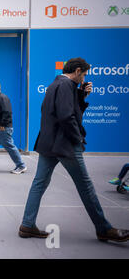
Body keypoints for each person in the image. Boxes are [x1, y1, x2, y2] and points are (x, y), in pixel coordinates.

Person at [19, 58, 128, 243]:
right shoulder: (66, 85)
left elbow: (62, 110)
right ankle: (104, 228)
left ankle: (27, 224)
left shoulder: (57, 84)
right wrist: (77, 138)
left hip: (49, 144)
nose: (84, 78)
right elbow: (66, 115)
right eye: (84, 74)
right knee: (86, 186)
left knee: (39, 183)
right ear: (77, 71)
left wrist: (81, 96)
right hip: (65, 144)